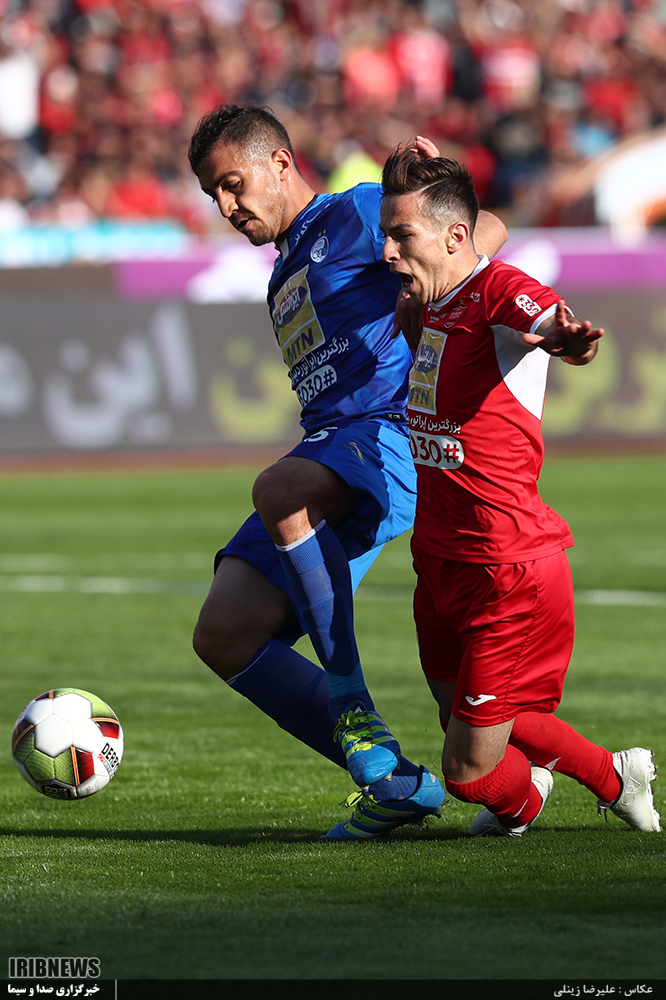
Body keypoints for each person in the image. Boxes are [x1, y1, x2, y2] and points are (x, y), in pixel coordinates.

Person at [187, 104, 508, 840]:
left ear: (280, 163)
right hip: (331, 447)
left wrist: (429, 281)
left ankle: (350, 702)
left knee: (280, 489)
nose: (226, 207)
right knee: (224, 632)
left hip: (392, 431)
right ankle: (398, 784)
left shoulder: (357, 210)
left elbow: (485, 228)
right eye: (213, 195)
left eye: (233, 185)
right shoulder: (283, 273)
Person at [380, 146, 661, 836]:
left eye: (400, 236)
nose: (387, 251)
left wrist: (568, 339)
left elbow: (549, 324)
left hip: (502, 565)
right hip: (437, 559)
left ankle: (580, 786)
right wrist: (443, 175)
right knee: (467, 720)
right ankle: (573, 785)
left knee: (467, 771)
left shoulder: (498, 290)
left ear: (453, 237)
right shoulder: (427, 298)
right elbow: (483, 222)